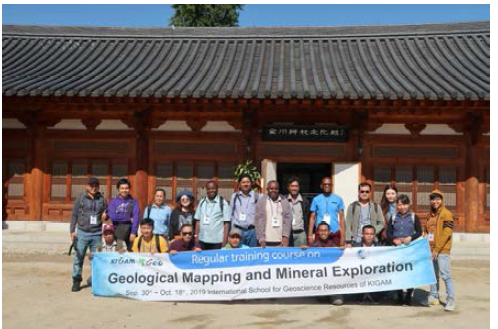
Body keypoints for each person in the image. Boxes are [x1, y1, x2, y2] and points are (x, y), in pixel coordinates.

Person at [69, 177, 107, 292]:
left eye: (96, 185)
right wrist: (72, 231)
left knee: (96, 259)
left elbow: (107, 212)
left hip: (97, 234)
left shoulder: (102, 199)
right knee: (78, 258)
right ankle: (76, 280)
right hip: (82, 233)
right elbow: (74, 214)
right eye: (91, 185)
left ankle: (95, 280)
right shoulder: (80, 198)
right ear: (87, 186)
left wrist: (107, 215)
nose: (94, 187)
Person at [387, 194, 422, 305]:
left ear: (409, 204)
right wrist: (394, 239)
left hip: (410, 249)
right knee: (398, 273)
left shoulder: (413, 217)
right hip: (397, 249)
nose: (403, 207)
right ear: (397, 205)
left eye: (405, 204)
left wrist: (410, 237)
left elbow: (419, 232)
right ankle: (399, 296)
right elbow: (388, 233)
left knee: (410, 272)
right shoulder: (393, 217)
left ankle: (408, 296)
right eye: (400, 204)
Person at [425, 190, 456, 312]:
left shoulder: (446, 214)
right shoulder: (430, 215)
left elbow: (447, 232)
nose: (435, 201)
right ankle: (433, 296)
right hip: (431, 249)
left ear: (442, 200)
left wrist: (437, 249)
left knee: (446, 276)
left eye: (437, 199)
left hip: (442, 250)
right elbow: (427, 232)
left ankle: (451, 300)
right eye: (433, 199)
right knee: (432, 275)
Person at [302, 222, 343, 305]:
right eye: (321, 231)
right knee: (321, 299)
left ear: (329, 232)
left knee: (338, 302)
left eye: (325, 230)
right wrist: (304, 250)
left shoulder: (334, 245)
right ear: (318, 232)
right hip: (320, 281)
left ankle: (334, 295)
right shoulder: (313, 245)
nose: (323, 233)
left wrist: (346, 250)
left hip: (333, 282)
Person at [308, 177, 345, 248]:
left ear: (332, 186)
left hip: (334, 232)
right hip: (321, 233)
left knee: (335, 256)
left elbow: (342, 218)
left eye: (329, 184)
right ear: (321, 186)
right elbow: (312, 218)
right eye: (325, 184)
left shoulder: (338, 199)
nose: (327, 186)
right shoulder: (316, 199)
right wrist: (310, 235)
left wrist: (343, 236)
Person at [345, 182, 385, 247]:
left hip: (372, 241)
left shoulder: (376, 206)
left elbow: (382, 223)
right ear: (359, 192)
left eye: (367, 191)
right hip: (356, 241)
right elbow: (348, 224)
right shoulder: (352, 206)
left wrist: (372, 231)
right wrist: (348, 241)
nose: (364, 193)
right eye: (362, 191)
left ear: (370, 193)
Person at [194, 181, 231, 250]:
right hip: (202, 239)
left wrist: (225, 239)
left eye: (213, 188)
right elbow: (198, 221)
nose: (211, 190)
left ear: (217, 189)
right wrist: (196, 236)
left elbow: (226, 223)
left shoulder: (223, 203)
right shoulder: (202, 202)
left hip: (217, 241)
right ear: (206, 190)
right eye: (209, 189)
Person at [255, 180, 292, 248]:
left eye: (276, 189)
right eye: (271, 188)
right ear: (267, 189)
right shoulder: (261, 201)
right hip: (265, 242)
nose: (273, 190)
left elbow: (288, 220)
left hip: (280, 242)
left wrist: (285, 236)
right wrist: (261, 238)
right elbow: (258, 220)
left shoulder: (284, 201)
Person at [106, 178, 140, 251]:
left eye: (126, 188)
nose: (124, 190)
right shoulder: (113, 202)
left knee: (132, 254)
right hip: (118, 230)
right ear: (118, 189)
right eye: (122, 188)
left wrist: (133, 232)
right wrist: (128, 218)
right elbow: (112, 216)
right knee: (119, 253)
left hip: (130, 230)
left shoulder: (133, 202)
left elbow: (136, 217)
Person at [352, 225, 383, 304]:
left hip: (375, 275)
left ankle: (373, 294)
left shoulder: (380, 248)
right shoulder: (354, 247)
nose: (369, 236)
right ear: (362, 234)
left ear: (374, 235)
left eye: (371, 234)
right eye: (367, 234)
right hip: (359, 275)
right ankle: (361, 294)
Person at [229, 173, 259, 247]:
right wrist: (232, 231)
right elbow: (230, 214)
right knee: (239, 254)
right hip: (238, 231)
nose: (246, 184)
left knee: (252, 254)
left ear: (251, 183)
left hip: (252, 231)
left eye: (248, 182)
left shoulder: (257, 196)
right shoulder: (234, 196)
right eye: (243, 182)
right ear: (239, 184)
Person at [285, 177, 309, 247]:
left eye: (296, 186)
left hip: (300, 234)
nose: (294, 188)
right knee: (287, 255)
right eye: (292, 186)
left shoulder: (305, 201)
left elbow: (307, 218)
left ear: (299, 187)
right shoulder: (283, 200)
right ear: (288, 187)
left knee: (301, 255)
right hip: (287, 234)